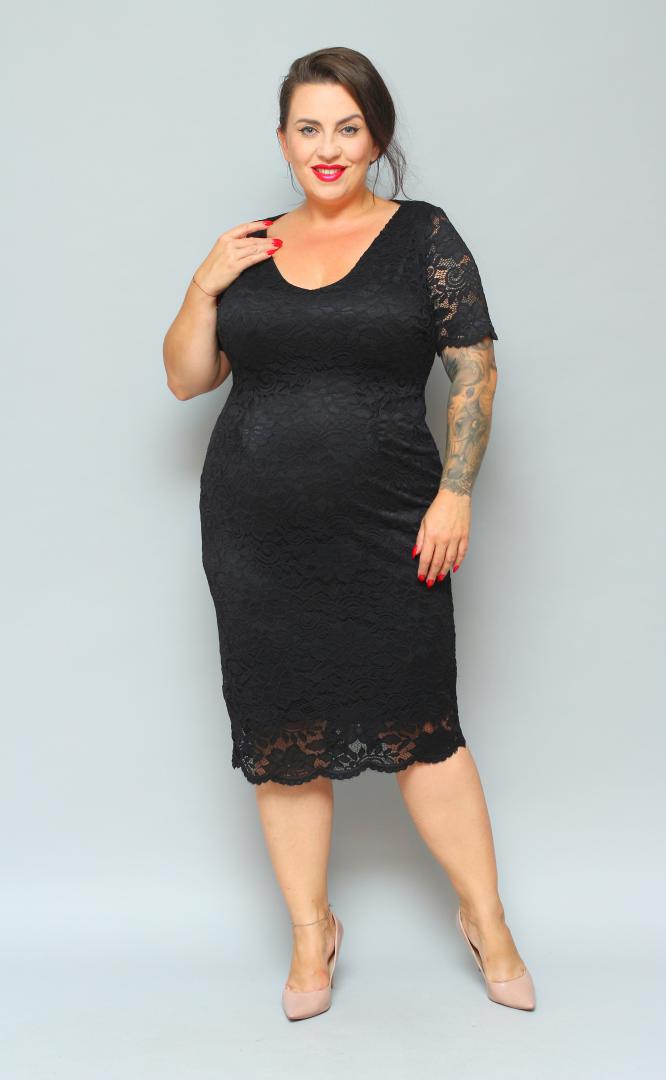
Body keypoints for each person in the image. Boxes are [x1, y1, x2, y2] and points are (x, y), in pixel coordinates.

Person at [163, 46, 535, 1020]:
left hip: (389, 528)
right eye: (308, 128)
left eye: (348, 127)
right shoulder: (248, 247)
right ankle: (310, 936)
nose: (327, 147)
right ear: (283, 139)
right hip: (256, 535)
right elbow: (187, 379)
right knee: (283, 735)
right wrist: (204, 284)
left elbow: (474, 367)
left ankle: (487, 920)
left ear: (376, 138)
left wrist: (456, 493)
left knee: (425, 733)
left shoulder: (422, 235)